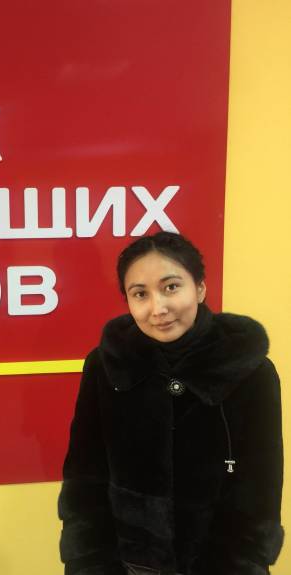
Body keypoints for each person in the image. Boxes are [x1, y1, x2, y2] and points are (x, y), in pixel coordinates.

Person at [58, 231, 284, 575]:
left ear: (200, 288)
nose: (158, 308)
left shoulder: (249, 370)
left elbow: (262, 486)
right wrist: (87, 562)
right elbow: (84, 476)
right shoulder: (107, 365)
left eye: (171, 287)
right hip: (129, 565)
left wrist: (246, 562)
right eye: (140, 294)